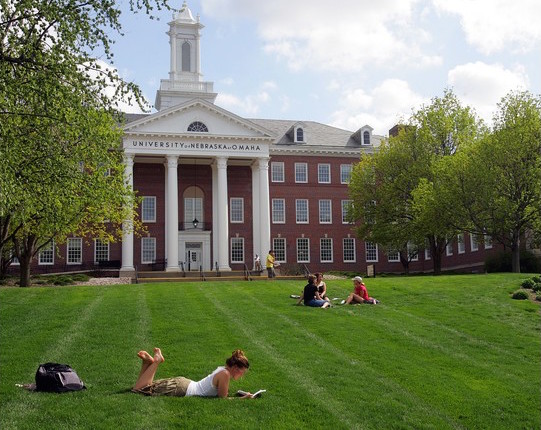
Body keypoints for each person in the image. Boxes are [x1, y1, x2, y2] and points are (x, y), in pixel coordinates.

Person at [132, 347, 253, 398]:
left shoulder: (223, 370)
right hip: (182, 389)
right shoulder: (225, 374)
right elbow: (223, 399)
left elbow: (222, 394)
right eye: (243, 371)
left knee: (144, 386)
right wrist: (244, 398)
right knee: (138, 389)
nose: (243, 374)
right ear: (236, 367)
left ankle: (147, 363)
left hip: (184, 384)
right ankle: (156, 361)